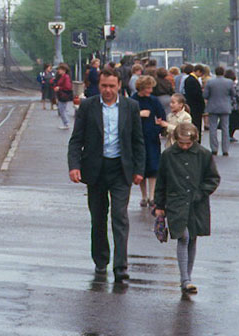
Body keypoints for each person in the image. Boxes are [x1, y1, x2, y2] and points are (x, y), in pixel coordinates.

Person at [68, 69, 145, 282]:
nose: (108, 90)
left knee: (120, 216)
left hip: (121, 169)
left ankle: (121, 266)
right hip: (95, 170)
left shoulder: (131, 107)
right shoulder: (87, 106)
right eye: (104, 86)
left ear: (119, 85)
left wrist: (139, 170)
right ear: (98, 85)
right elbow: (76, 139)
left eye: (111, 86)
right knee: (98, 218)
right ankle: (101, 261)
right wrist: (74, 166)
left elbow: (138, 141)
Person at [153, 121, 220, 295]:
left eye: (187, 143)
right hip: (175, 202)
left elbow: (213, 178)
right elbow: (161, 180)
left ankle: (187, 278)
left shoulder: (204, 154)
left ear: (194, 140)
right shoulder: (168, 155)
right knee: (183, 236)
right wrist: (159, 205)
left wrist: (200, 193)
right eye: (180, 143)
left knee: (193, 238)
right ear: (175, 140)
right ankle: (185, 279)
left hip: (197, 204)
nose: (184, 146)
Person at [132, 75, 167, 208]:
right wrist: (139, 114)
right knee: (141, 167)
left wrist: (157, 127)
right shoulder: (133, 100)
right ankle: (143, 196)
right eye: (148, 88)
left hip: (151, 137)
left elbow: (161, 116)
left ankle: (152, 196)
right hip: (137, 137)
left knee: (153, 166)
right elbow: (126, 116)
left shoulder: (154, 100)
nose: (150, 90)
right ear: (141, 87)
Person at [203, 65, 235, 156]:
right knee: (225, 128)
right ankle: (225, 149)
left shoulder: (210, 82)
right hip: (225, 107)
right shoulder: (229, 82)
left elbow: (205, 95)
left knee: (213, 128)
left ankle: (214, 148)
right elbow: (233, 94)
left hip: (212, 107)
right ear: (223, 73)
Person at [182, 64, 205, 132]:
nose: (201, 75)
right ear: (198, 71)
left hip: (192, 105)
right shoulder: (192, 80)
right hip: (195, 106)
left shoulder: (189, 79)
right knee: (196, 124)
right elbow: (197, 95)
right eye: (201, 73)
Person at [53, 63, 74, 129]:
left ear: (64, 70)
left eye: (59, 69)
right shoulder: (63, 76)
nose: (58, 71)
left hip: (63, 95)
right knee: (62, 109)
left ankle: (66, 123)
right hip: (61, 95)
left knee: (62, 110)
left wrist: (59, 88)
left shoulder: (65, 77)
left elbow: (68, 87)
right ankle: (66, 123)